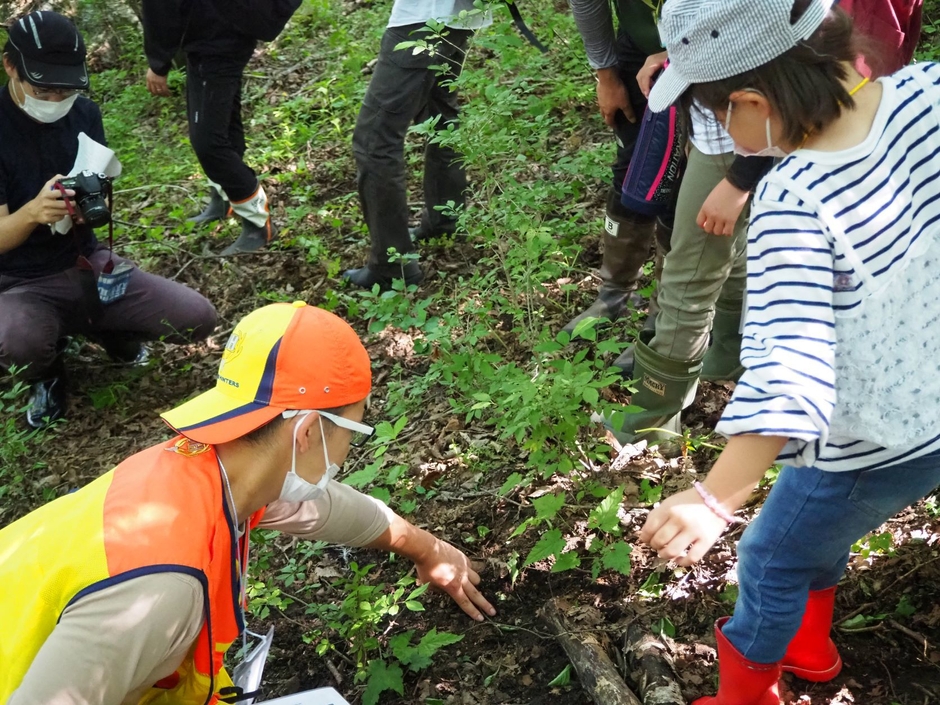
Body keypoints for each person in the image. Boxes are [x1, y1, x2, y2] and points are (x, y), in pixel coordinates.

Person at [639, 1, 940, 704]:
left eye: (718, 118)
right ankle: (811, 646)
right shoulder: (926, 94)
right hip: (933, 410)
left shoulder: (795, 201)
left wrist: (715, 497)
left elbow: (791, 369)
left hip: (866, 442)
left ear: (752, 103)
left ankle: (746, 696)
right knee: (815, 533)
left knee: (771, 555)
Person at [0, 300, 496, 703]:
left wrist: (429, 550)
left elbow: (330, 508)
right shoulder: (161, 589)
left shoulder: (207, 471)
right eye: (352, 430)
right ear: (306, 432)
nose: (347, 451)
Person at [0, 11, 217, 429]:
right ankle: (47, 374)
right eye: (43, 88)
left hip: (85, 262)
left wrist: (86, 207)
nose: (54, 101)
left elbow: (96, 189)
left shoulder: (83, 113)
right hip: (19, 281)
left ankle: (105, 327)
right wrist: (31, 213)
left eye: (65, 89)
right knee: (19, 342)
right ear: (11, 66)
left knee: (196, 317)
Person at [342, 0, 490, 292]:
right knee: (441, 116)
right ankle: (444, 222)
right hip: (457, 15)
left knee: (375, 138)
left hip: (424, 15)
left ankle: (392, 265)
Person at [142, 0, 278, 256]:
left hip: (217, 39)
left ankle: (258, 222)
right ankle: (223, 197)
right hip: (219, 34)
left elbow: (160, 7)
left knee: (209, 143)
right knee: (224, 128)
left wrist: (158, 62)